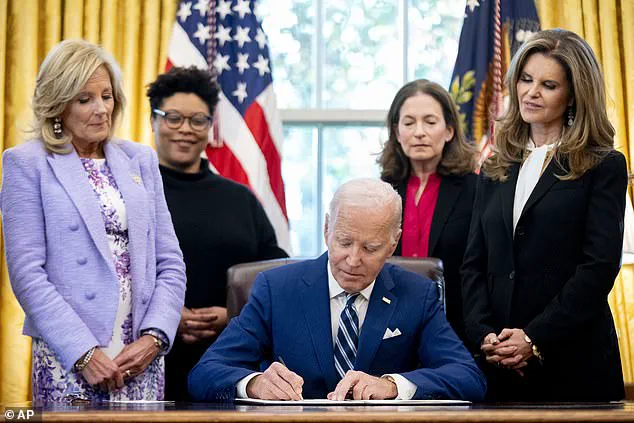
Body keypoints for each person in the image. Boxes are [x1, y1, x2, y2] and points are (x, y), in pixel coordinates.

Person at [0, 40, 186, 403]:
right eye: (84, 99)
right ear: (58, 105)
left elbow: (171, 263)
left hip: (140, 357)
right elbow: (27, 273)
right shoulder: (26, 163)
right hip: (70, 355)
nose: (101, 109)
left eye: (107, 96)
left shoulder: (141, 160)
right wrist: (83, 351)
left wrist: (155, 338)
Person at [188, 178, 486, 401]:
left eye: (370, 248)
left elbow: (469, 378)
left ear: (393, 243)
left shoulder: (417, 294)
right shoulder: (276, 289)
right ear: (327, 229)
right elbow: (205, 373)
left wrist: (393, 385)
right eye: (344, 242)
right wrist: (253, 383)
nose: (353, 260)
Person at [461, 29, 627, 401]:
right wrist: (484, 334)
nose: (531, 92)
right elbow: (473, 264)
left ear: (573, 95)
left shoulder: (603, 165)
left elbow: (598, 267)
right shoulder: (493, 167)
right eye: (525, 79)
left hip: (574, 364)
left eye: (548, 84)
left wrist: (534, 338)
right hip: (498, 365)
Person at [146, 66, 288, 401]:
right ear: (153, 120)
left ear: (210, 127)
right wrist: (164, 315)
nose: (185, 129)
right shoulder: (131, 195)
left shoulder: (240, 199)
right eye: (173, 117)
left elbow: (275, 274)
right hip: (145, 361)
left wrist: (234, 313)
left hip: (233, 367)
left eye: (198, 120)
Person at [378, 79, 477, 342]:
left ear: (449, 131)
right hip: (391, 328)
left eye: (430, 122)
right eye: (409, 123)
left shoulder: (477, 189)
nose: (419, 132)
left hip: (457, 328)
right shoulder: (380, 191)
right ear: (397, 133)